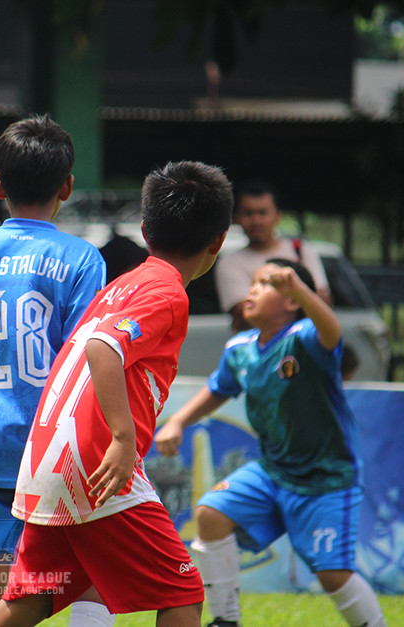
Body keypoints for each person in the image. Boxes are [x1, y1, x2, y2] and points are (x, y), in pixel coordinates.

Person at [0, 160, 233, 627]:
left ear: (145, 231)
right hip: (94, 464)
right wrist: (122, 438)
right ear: (218, 240)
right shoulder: (167, 292)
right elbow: (103, 347)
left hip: (46, 457)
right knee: (182, 591)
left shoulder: (123, 285)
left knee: (33, 597)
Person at [0, 115, 107, 627]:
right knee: (88, 564)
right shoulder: (83, 259)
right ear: (67, 187)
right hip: (50, 443)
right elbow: (86, 360)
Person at [154, 258, 386, 627]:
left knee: (332, 575)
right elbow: (219, 389)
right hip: (272, 471)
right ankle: (226, 620)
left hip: (326, 479)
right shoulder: (240, 347)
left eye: (266, 284)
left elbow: (332, 333)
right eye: (254, 282)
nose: (253, 290)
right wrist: (179, 421)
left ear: (292, 301)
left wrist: (302, 290)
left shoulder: (306, 337)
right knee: (211, 513)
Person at [214, 181, 330, 331]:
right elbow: (243, 314)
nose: (256, 220)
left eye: (262, 213)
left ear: (277, 215)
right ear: (236, 218)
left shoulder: (302, 250)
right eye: (248, 213)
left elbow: (323, 300)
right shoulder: (229, 263)